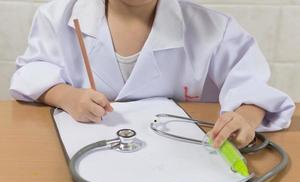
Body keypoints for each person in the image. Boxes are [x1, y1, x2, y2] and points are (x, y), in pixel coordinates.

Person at [10, 0, 295, 149]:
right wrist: (67, 96)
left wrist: (244, 118)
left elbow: (253, 86)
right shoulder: (56, 16)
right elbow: (32, 71)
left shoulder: (213, 28)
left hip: (182, 159)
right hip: (87, 152)